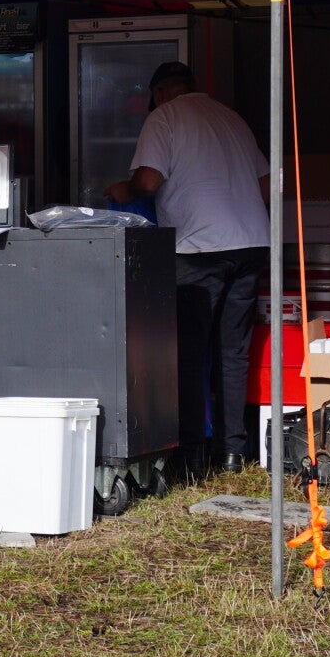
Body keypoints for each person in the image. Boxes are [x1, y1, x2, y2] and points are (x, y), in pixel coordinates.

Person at [113, 61, 270, 475]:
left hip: (199, 247)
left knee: (187, 351)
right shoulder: (231, 117)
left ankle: (190, 454)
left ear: (159, 94)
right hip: (252, 242)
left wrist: (124, 190)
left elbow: (149, 181)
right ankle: (232, 452)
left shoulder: (164, 117)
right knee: (232, 352)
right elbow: (266, 184)